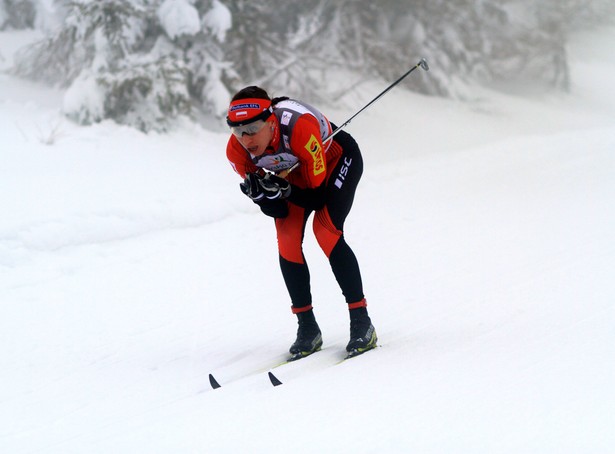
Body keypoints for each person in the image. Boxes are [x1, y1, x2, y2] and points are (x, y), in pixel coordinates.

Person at [225, 86, 377, 360]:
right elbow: (278, 211)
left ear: (271, 122)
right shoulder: (237, 151)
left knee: (326, 232)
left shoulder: (299, 129)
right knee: (287, 241)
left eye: (253, 128)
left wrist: (283, 190)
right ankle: (307, 327)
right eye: (237, 130)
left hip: (336, 159)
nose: (245, 139)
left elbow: (318, 198)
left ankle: (361, 321)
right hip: (295, 173)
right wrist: (264, 197)